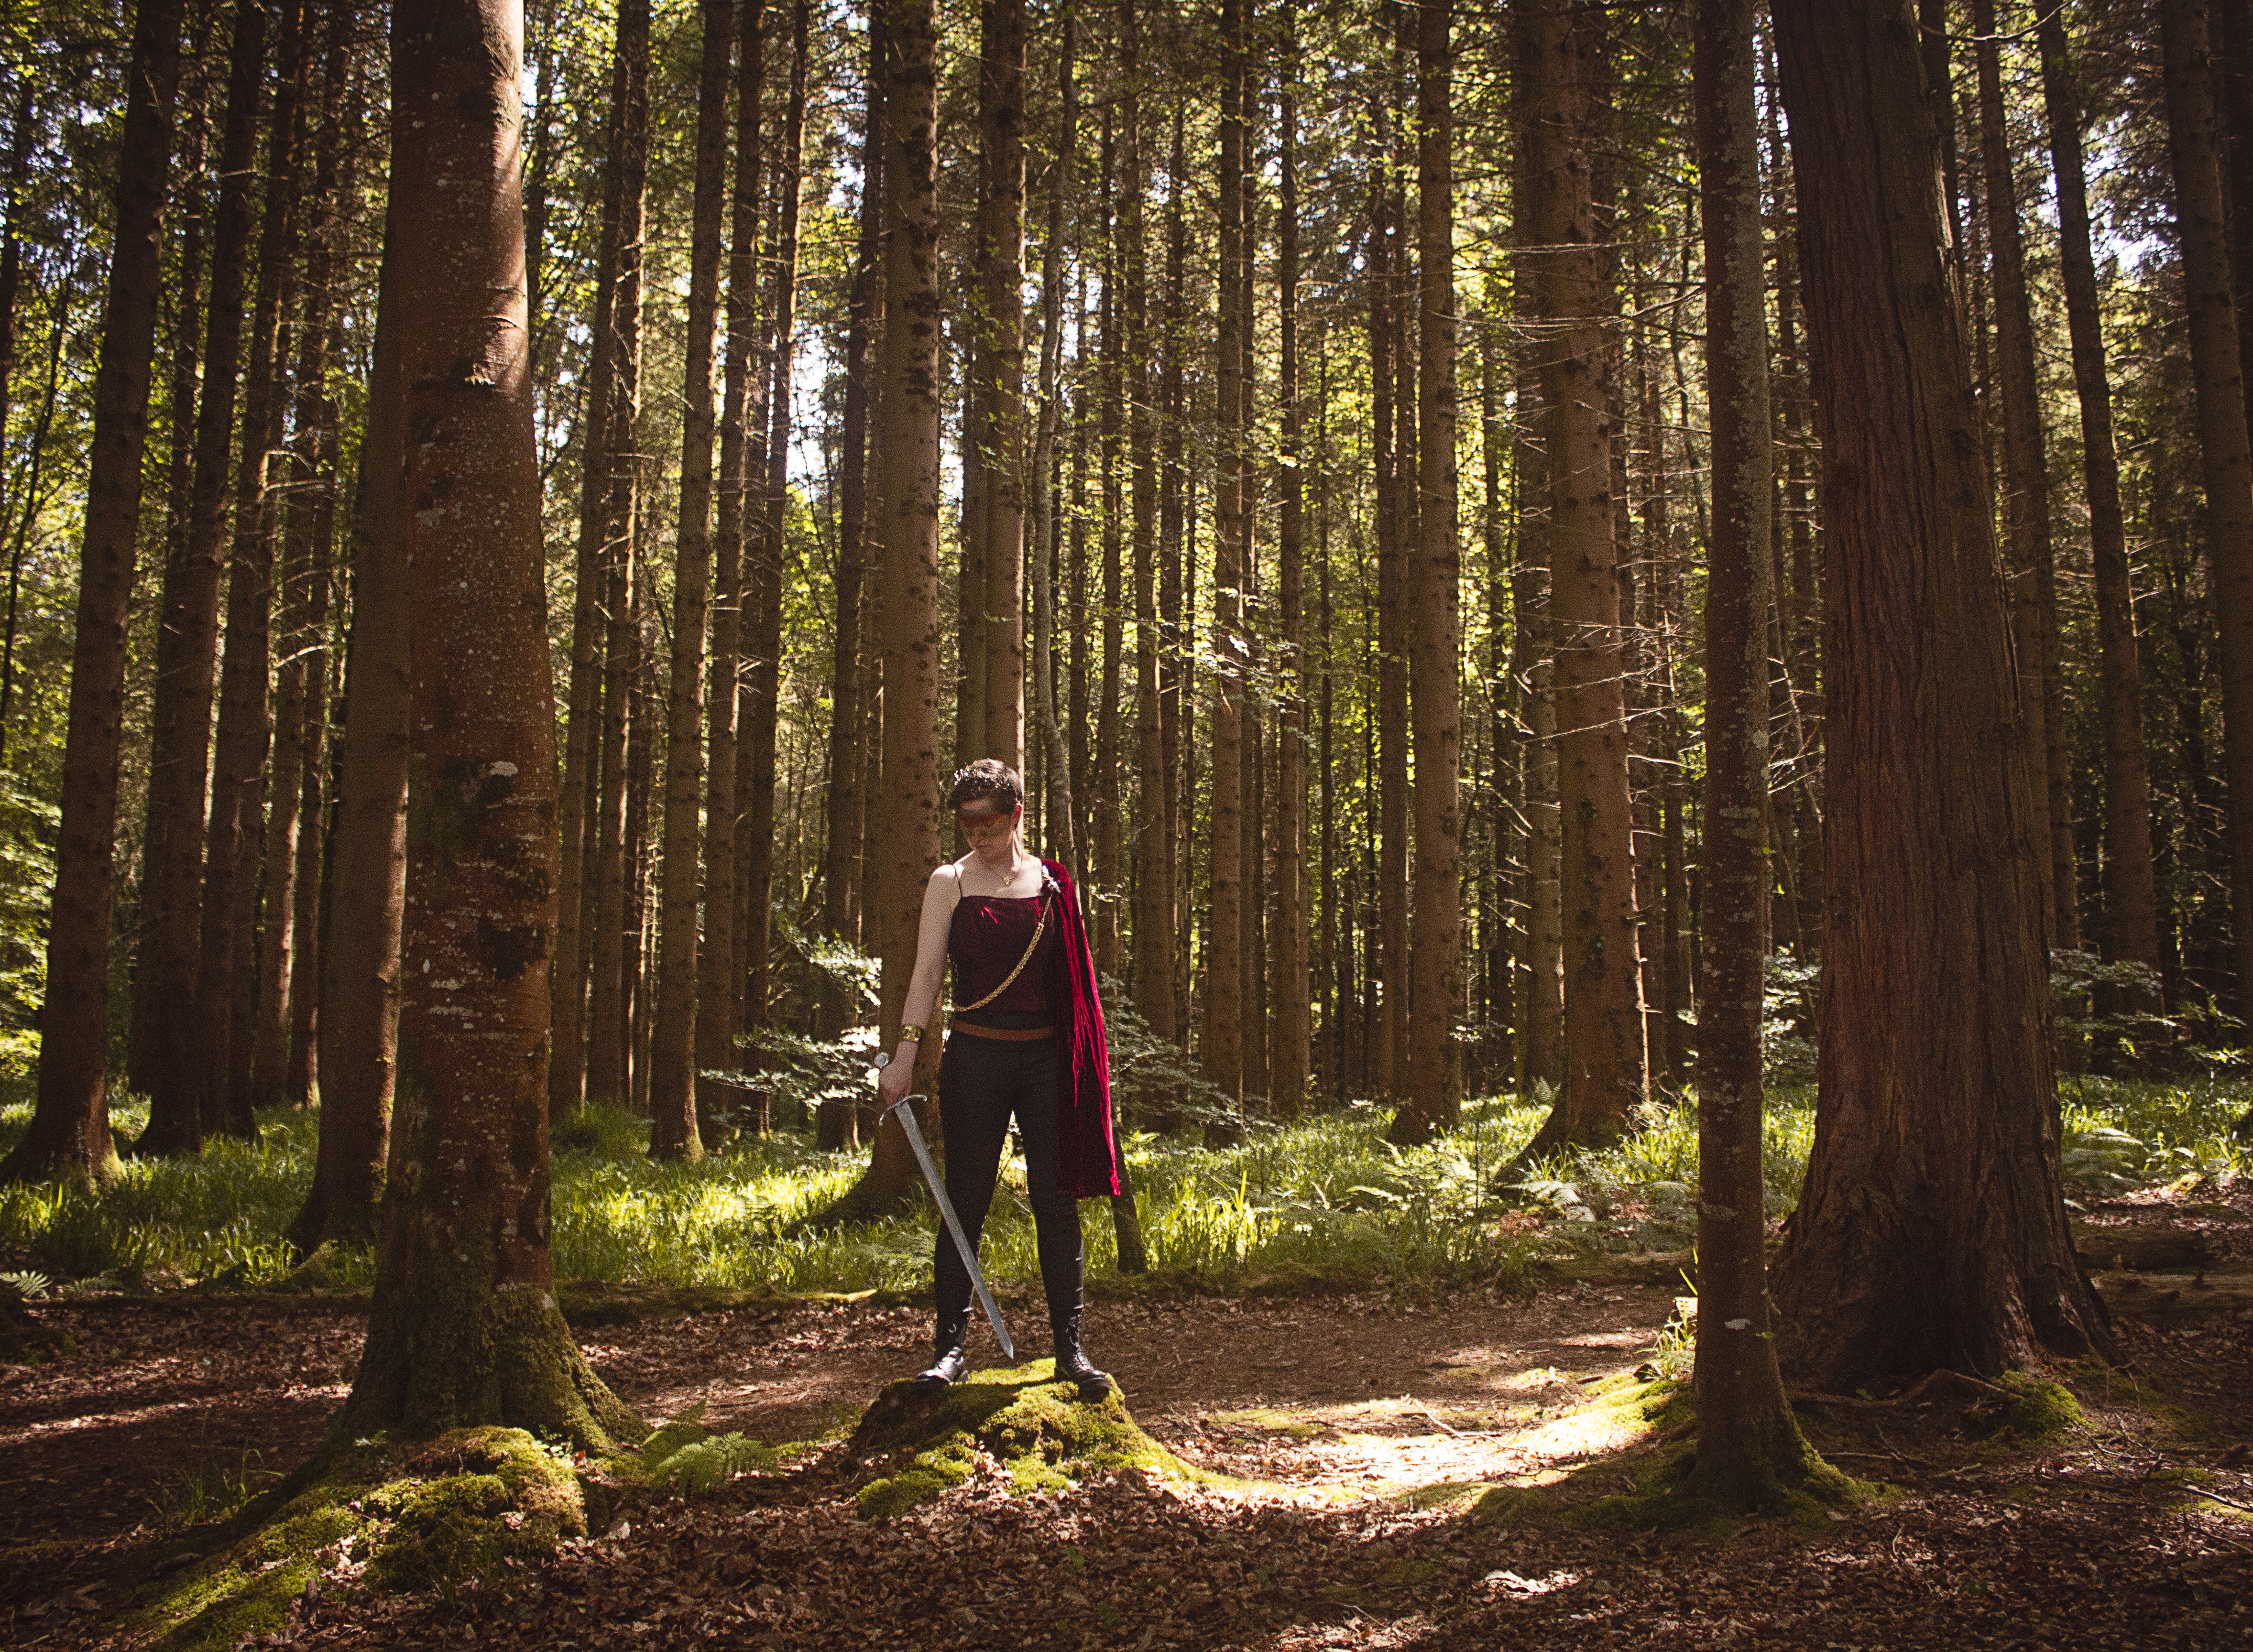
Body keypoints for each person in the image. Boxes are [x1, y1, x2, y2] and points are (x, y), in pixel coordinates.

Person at [875, 758, 1121, 1397]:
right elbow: (927, 975)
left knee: (1055, 1203)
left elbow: (1072, 991)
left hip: (1045, 1064)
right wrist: (905, 1054)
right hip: (976, 1060)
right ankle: (949, 1353)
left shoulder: (1052, 885)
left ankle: (1070, 1350)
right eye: (966, 824)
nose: (977, 836)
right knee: (966, 1203)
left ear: (1016, 815)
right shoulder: (949, 883)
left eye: (988, 822)